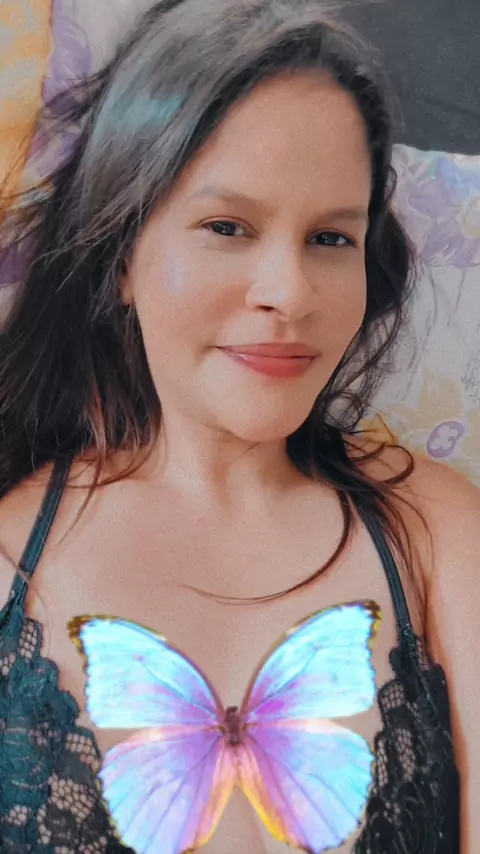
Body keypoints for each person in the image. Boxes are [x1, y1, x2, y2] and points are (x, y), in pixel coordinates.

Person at [0, 1, 478, 852]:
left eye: (330, 238)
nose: (289, 293)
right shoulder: (9, 554)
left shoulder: (437, 534)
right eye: (227, 227)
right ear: (122, 256)